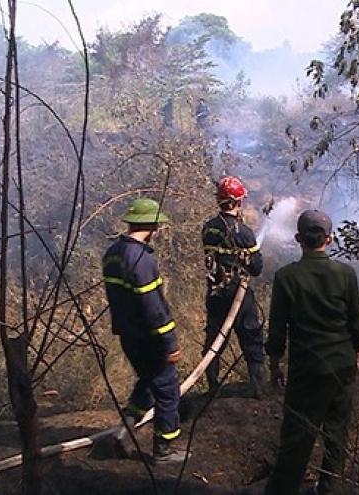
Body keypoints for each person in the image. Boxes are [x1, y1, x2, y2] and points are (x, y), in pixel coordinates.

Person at [264, 209, 359, 495]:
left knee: (296, 437)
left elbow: (277, 330)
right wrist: (356, 357)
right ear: (330, 239)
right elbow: (355, 321)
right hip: (342, 365)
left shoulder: (286, 277)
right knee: (336, 434)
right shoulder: (346, 274)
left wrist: (274, 366)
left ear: (299, 239)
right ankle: (329, 489)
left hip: (307, 369)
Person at [102, 197, 188, 465]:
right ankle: (163, 449)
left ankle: (124, 431)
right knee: (168, 389)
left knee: (148, 382)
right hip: (150, 338)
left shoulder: (113, 253)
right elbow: (153, 308)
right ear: (150, 224)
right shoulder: (140, 259)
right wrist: (169, 342)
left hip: (129, 335)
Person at [202, 176, 266, 398]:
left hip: (215, 292)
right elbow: (256, 268)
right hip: (239, 294)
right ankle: (258, 388)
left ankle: (212, 388)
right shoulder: (244, 233)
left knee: (214, 340)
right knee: (251, 337)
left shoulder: (208, 228)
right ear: (238, 202)